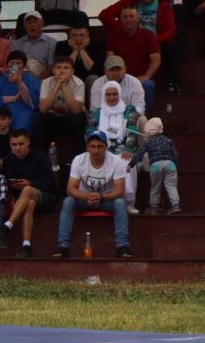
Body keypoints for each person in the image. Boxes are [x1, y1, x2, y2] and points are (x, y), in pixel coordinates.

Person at [58, 131, 130, 259]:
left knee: (120, 203)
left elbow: (120, 191)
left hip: (106, 199)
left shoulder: (116, 161)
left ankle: (122, 246)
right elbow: (70, 189)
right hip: (85, 199)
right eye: (92, 147)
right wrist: (87, 197)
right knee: (68, 201)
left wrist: (102, 197)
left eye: (99, 146)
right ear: (87, 147)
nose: (96, 150)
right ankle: (63, 246)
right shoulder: (79, 160)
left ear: (106, 147)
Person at [99, 0, 162, 113]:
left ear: (138, 18)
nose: (128, 19)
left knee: (148, 85)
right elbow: (110, 60)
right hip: (118, 76)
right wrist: (116, 76)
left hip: (141, 78)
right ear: (120, 19)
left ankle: (142, 119)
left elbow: (156, 59)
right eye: (125, 17)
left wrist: (146, 76)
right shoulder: (113, 36)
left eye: (131, 16)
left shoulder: (149, 35)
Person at [87, 79, 143, 210]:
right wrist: (97, 148)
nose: (112, 97)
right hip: (101, 149)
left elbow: (132, 130)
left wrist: (129, 148)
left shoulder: (129, 110)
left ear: (119, 94)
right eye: (108, 94)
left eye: (114, 94)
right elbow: (90, 132)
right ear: (103, 96)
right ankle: (99, 201)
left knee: (127, 161)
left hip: (123, 149)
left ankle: (128, 203)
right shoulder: (97, 112)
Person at [0, 129, 55, 258]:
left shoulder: (41, 157)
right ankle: (26, 245)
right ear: (10, 145)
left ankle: (7, 226)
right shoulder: (7, 160)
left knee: (28, 191)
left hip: (47, 197)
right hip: (24, 202)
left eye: (21, 144)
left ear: (28, 142)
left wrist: (30, 183)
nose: (18, 148)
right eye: (14, 145)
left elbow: (50, 185)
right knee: (29, 202)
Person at [37, 56, 86, 164]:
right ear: (53, 70)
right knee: (41, 119)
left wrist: (64, 87)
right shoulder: (46, 82)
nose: (62, 70)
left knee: (79, 118)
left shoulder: (79, 83)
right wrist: (56, 87)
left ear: (72, 71)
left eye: (66, 67)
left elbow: (77, 110)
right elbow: (43, 109)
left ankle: (80, 160)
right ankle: (41, 160)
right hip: (54, 118)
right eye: (58, 67)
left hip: (71, 118)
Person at [0, 55, 42, 136]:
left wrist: (20, 83)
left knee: (24, 122)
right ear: (7, 65)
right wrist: (13, 98)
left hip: (24, 110)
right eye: (12, 62)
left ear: (24, 66)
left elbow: (35, 102)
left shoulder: (31, 80)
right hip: (2, 109)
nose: (15, 65)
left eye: (18, 63)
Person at [140, 117, 180, 214]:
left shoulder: (148, 142)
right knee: (171, 186)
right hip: (170, 164)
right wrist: (175, 164)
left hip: (155, 165)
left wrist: (131, 164)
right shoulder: (168, 140)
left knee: (155, 187)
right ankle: (175, 205)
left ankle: (154, 207)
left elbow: (139, 153)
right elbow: (175, 154)